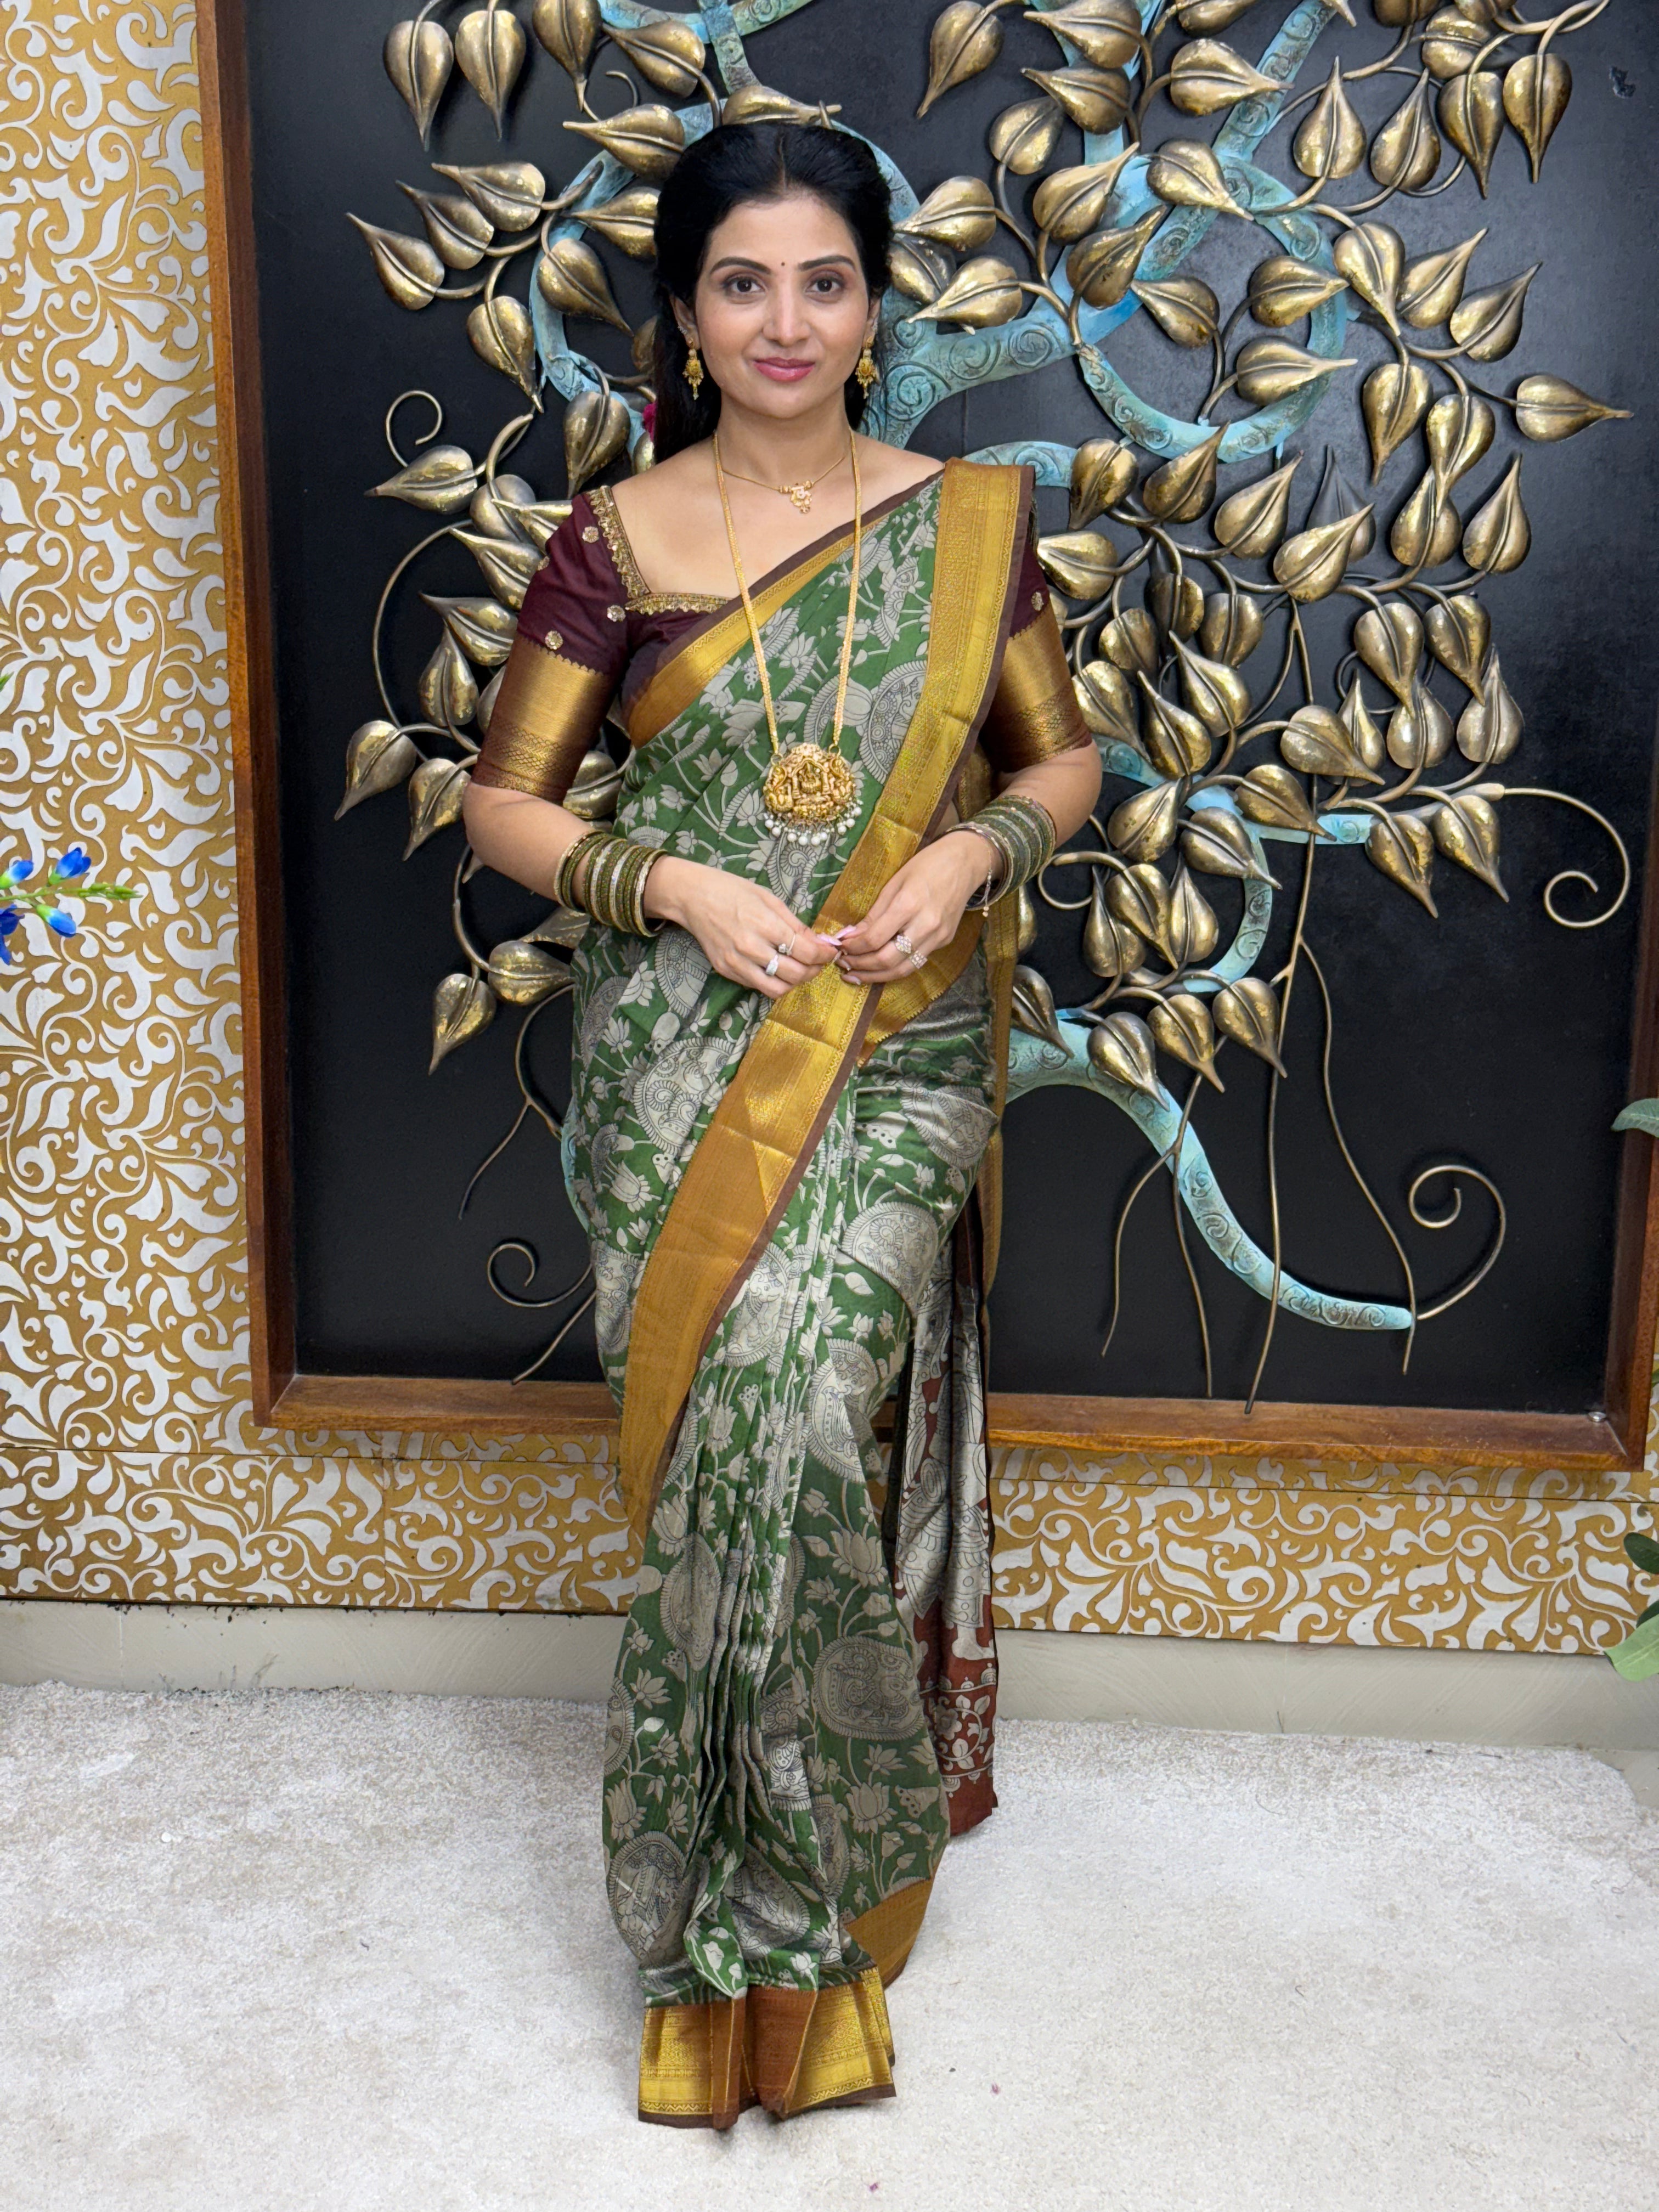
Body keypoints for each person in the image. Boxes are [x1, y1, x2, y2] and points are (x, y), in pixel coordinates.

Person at [462, 119, 1101, 2129]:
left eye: (826, 280)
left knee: (799, 1404)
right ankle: (706, 1922)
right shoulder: (617, 542)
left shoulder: (971, 527)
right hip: (679, 1054)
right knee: (721, 1441)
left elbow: (1063, 765)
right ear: (685, 310)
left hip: (895, 1042)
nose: (788, 320)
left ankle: (806, 1911)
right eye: (743, 283)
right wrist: (671, 886)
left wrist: (979, 852)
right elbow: (503, 807)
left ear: (875, 302)